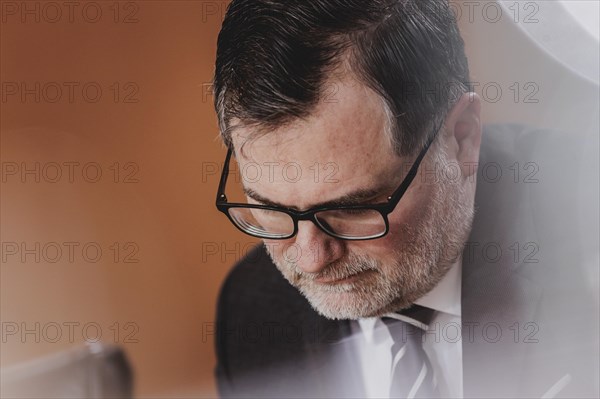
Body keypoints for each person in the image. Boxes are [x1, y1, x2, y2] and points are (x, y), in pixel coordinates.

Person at [210, 1, 598, 398]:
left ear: (461, 137)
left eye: (352, 208)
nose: (311, 259)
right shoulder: (250, 316)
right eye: (271, 209)